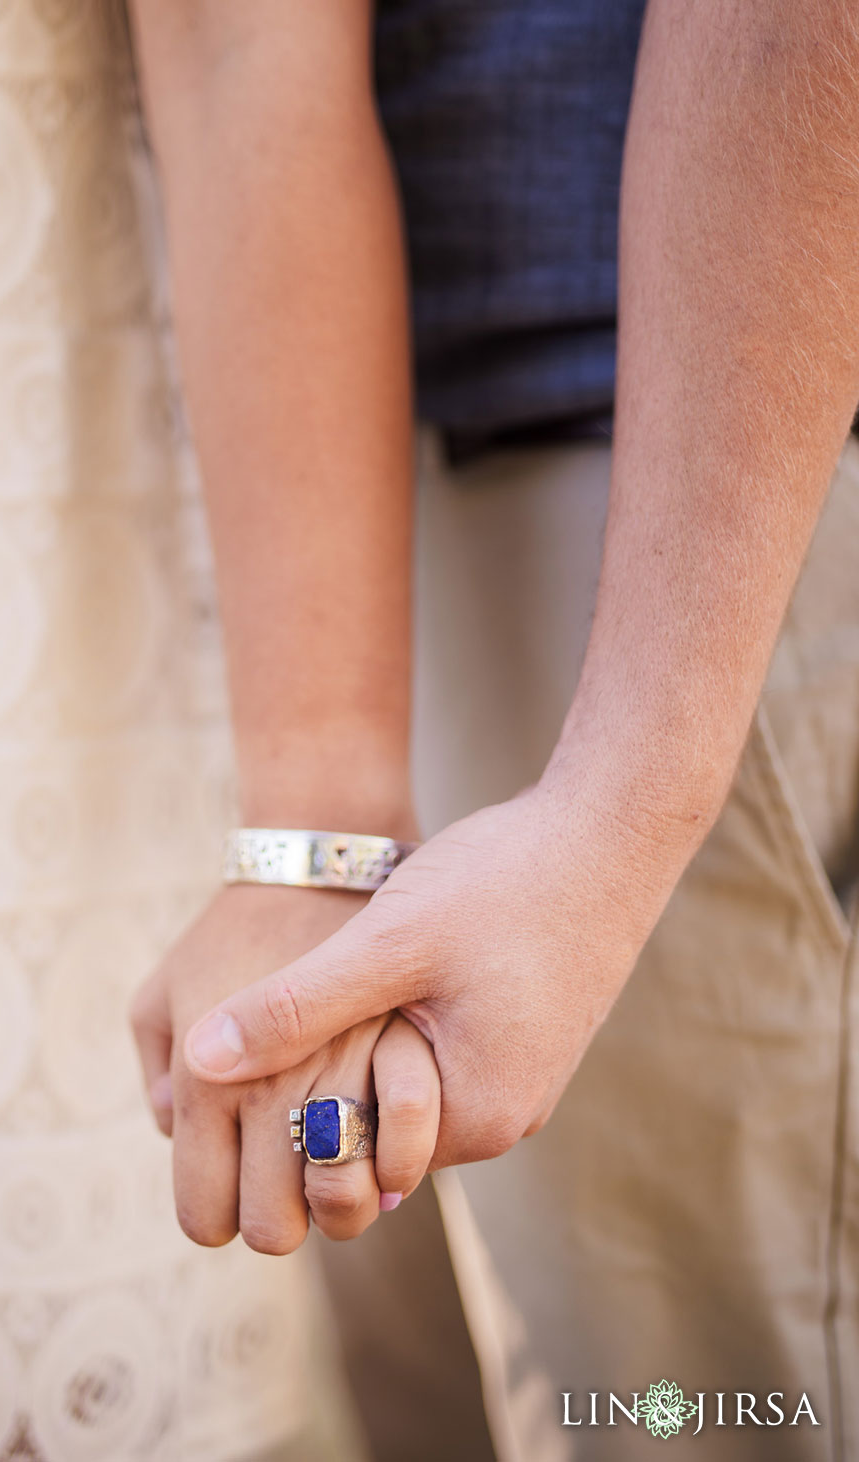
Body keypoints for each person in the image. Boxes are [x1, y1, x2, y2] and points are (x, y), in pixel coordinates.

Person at [127, 0, 859, 1456]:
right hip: (313, 525)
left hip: (688, 473)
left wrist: (623, 801)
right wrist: (313, 829)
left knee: (687, 1410)